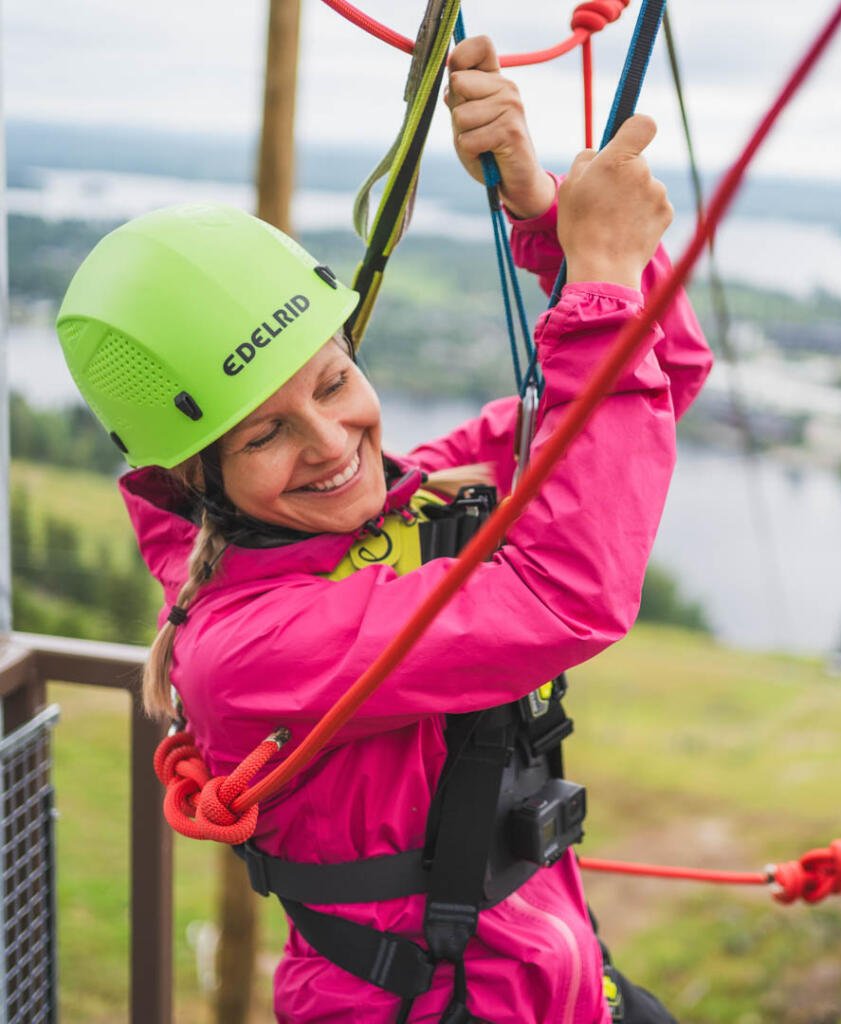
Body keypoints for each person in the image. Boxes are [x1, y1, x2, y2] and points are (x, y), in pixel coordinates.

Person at [57, 35, 711, 1024]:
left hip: (549, 982)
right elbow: (566, 593)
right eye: (266, 434)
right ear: (197, 481)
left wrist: (541, 213)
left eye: (333, 382)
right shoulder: (246, 649)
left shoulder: (415, 496)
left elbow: (659, 386)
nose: (333, 443)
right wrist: (602, 277)